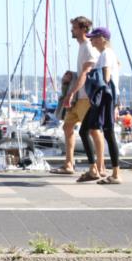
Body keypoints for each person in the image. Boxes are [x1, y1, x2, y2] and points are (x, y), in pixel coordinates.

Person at [51, 16, 98, 175]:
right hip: (79, 97)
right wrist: (72, 74)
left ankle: (100, 166)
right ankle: (69, 164)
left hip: (85, 97)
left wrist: (70, 94)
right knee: (67, 127)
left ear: (84, 29)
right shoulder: (82, 47)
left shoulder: (88, 48)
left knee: (92, 131)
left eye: (75, 27)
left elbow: (86, 74)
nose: (72, 30)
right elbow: (82, 73)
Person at [78, 27, 122, 184]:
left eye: (94, 38)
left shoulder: (106, 54)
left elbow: (106, 77)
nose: (91, 40)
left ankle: (112, 174)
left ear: (103, 38)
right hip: (107, 96)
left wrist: (96, 92)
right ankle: (96, 169)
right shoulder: (109, 54)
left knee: (104, 132)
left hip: (104, 96)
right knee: (92, 131)